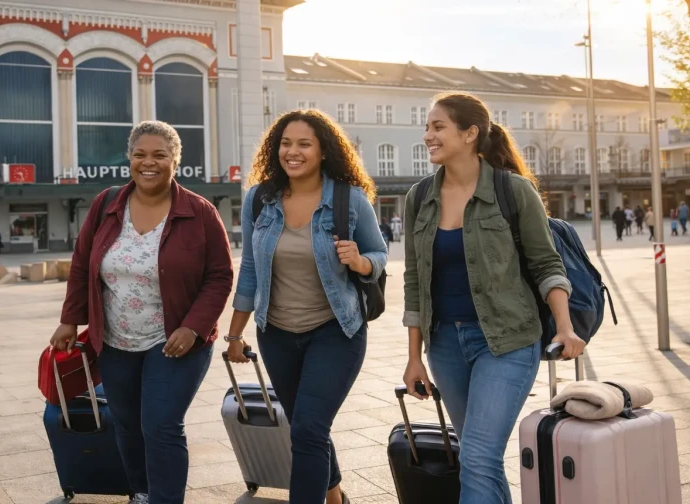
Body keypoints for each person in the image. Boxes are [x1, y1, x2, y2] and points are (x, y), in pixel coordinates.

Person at [402, 92, 584, 504]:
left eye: (438, 126)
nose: (427, 135)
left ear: (470, 134)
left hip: (506, 340)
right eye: (427, 126)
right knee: (477, 458)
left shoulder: (513, 190)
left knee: (480, 456)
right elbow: (415, 281)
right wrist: (415, 357)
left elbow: (546, 265)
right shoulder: (419, 198)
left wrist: (566, 328)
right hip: (445, 345)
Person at [51, 121, 233, 504]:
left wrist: (194, 327)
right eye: (140, 154)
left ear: (175, 161)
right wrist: (70, 318)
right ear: (129, 159)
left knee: (162, 425)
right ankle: (141, 493)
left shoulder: (199, 213)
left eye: (159, 155)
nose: (148, 162)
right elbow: (82, 263)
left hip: (176, 342)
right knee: (128, 426)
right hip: (115, 341)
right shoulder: (106, 205)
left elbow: (219, 276)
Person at [226, 109, 388, 504]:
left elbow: (379, 254)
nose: (292, 152)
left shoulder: (349, 199)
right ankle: (335, 497)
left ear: (323, 151)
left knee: (309, 429)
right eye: (285, 143)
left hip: (335, 330)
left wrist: (360, 261)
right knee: (304, 426)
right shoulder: (259, 200)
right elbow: (249, 267)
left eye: (304, 144)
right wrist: (234, 334)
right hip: (276, 334)